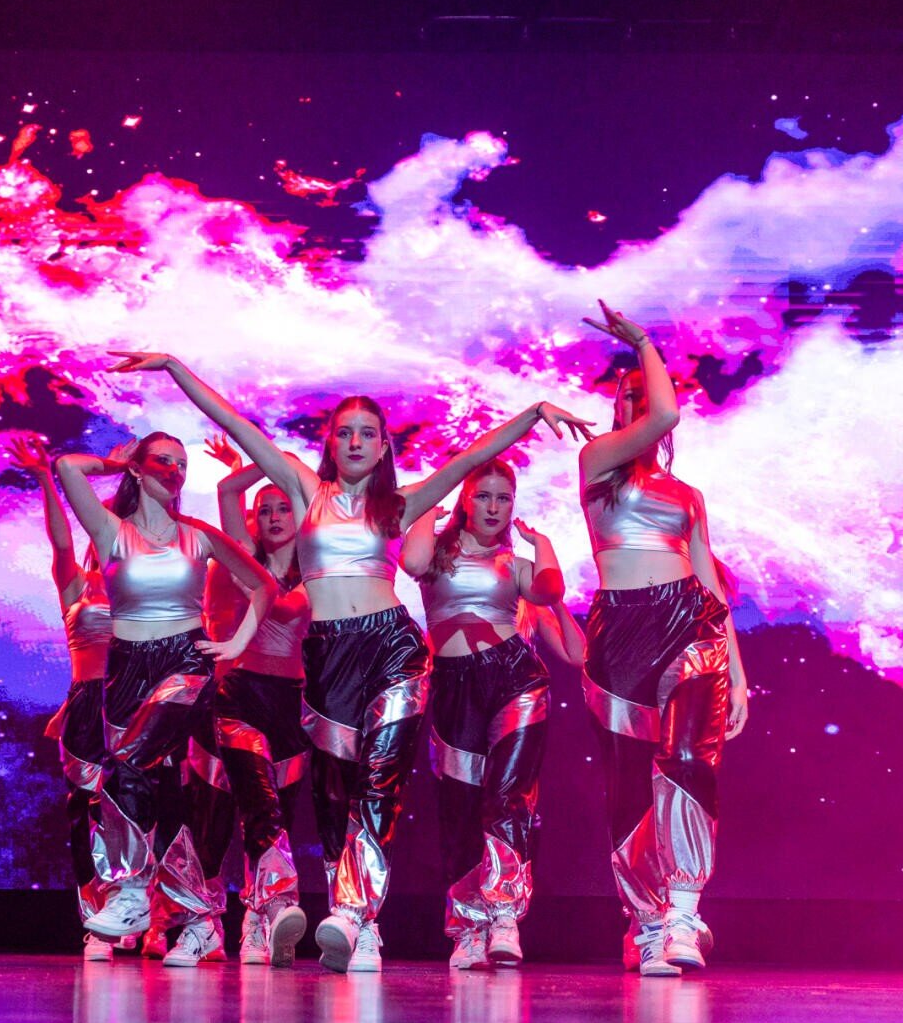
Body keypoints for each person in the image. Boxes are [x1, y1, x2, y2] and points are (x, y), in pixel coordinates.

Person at [106, 350, 592, 972]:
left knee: (379, 784)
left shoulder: (398, 506)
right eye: (344, 432)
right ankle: (351, 912)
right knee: (335, 795)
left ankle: (358, 919)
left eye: (368, 433)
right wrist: (174, 369)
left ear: (384, 445)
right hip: (329, 656)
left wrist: (532, 413)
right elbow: (236, 423)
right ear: (330, 444)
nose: (355, 441)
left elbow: (470, 458)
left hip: (391, 648)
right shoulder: (305, 491)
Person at [53, 432, 277, 967]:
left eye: (182, 464)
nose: (175, 470)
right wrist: (116, 460)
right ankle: (200, 920)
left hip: (186, 661)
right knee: (163, 799)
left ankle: (129, 893)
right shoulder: (111, 531)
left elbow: (263, 586)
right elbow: (66, 466)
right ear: (138, 468)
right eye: (164, 461)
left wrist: (237, 642)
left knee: (127, 764)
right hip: (126, 667)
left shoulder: (197, 536)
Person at [576, 302, 750, 978]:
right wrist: (643, 345)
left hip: (690, 622)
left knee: (687, 759)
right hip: (620, 628)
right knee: (628, 779)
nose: (642, 406)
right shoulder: (595, 466)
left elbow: (712, 583)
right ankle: (645, 919)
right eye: (629, 397)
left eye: (648, 392)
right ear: (617, 412)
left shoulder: (687, 494)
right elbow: (666, 416)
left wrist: (736, 672)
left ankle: (683, 910)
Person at [400, 458, 584, 970]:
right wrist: (425, 515)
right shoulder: (436, 553)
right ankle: (467, 926)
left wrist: (539, 542)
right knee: (459, 806)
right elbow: (411, 562)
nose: (494, 507)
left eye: (504, 498)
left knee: (509, 798)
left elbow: (550, 592)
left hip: (514, 682)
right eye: (483, 496)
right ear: (464, 499)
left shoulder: (515, 567)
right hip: (454, 687)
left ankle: (503, 913)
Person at [8, 433, 123, 962]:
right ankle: (98, 921)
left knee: (140, 808)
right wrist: (43, 479)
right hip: (84, 704)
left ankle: (150, 914)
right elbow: (60, 541)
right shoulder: (76, 587)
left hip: (133, 702)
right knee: (86, 810)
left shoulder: (144, 591)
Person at [209, 456, 315, 966]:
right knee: (259, 803)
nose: (274, 517)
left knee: (280, 811)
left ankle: (255, 917)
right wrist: (276, 460)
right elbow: (229, 493)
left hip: (292, 701)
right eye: (265, 510)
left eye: (283, 508)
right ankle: (278, 902)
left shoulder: (317, 570)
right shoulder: (242, 560)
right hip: (240, 694)